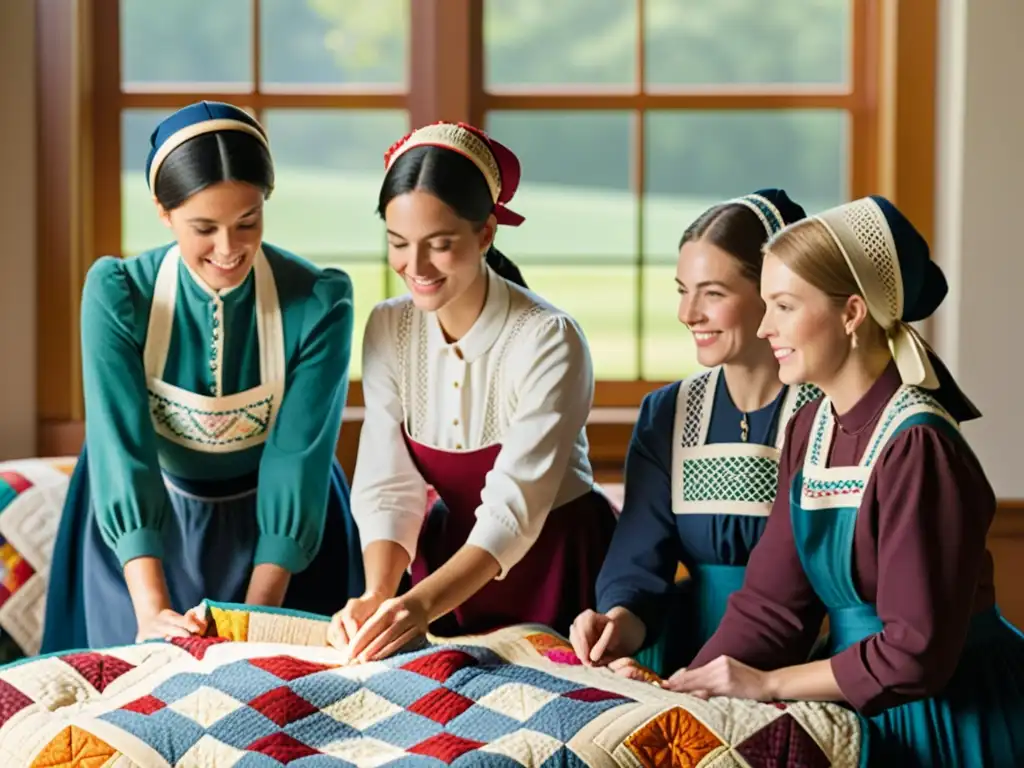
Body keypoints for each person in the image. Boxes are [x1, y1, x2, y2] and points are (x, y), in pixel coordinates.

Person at [617, 195, 1024, 766]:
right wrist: (689, 688)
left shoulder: (917, 445)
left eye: (783, 306)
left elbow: (915, 654)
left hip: (952, 720)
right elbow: (772, 605)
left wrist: (770, 686)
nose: (765, 328)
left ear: (852, 312)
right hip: (860, 707)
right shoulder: (814, 423)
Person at [42, 101, 365, 651]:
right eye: (203, 227)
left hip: (285, 531)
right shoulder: (119, 296)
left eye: (248, 222)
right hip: (143, 533)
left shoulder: (318, 302)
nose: (229, 248)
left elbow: (297, 459)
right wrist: (152, 610)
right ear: (163, 213)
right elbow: (122, 449)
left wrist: (255, 621)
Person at [328, 121, 617, 663]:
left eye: (439, 245)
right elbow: (389, 482)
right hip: (444, 565)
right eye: (398, 244)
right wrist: (378, 594)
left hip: (555, 560)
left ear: (485, 234)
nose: (414, 268)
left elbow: (513, 508)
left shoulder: (549, 338)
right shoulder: (388, 327)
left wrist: (416, 605)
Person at [569, 190, 819, 677]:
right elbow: (639, 562)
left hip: (803, 660)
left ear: (773, 296)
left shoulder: (827, 411)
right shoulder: (667, 414)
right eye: (682, 289)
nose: (688, 313)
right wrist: (617, 622)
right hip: (690, 656)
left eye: (713, 293)